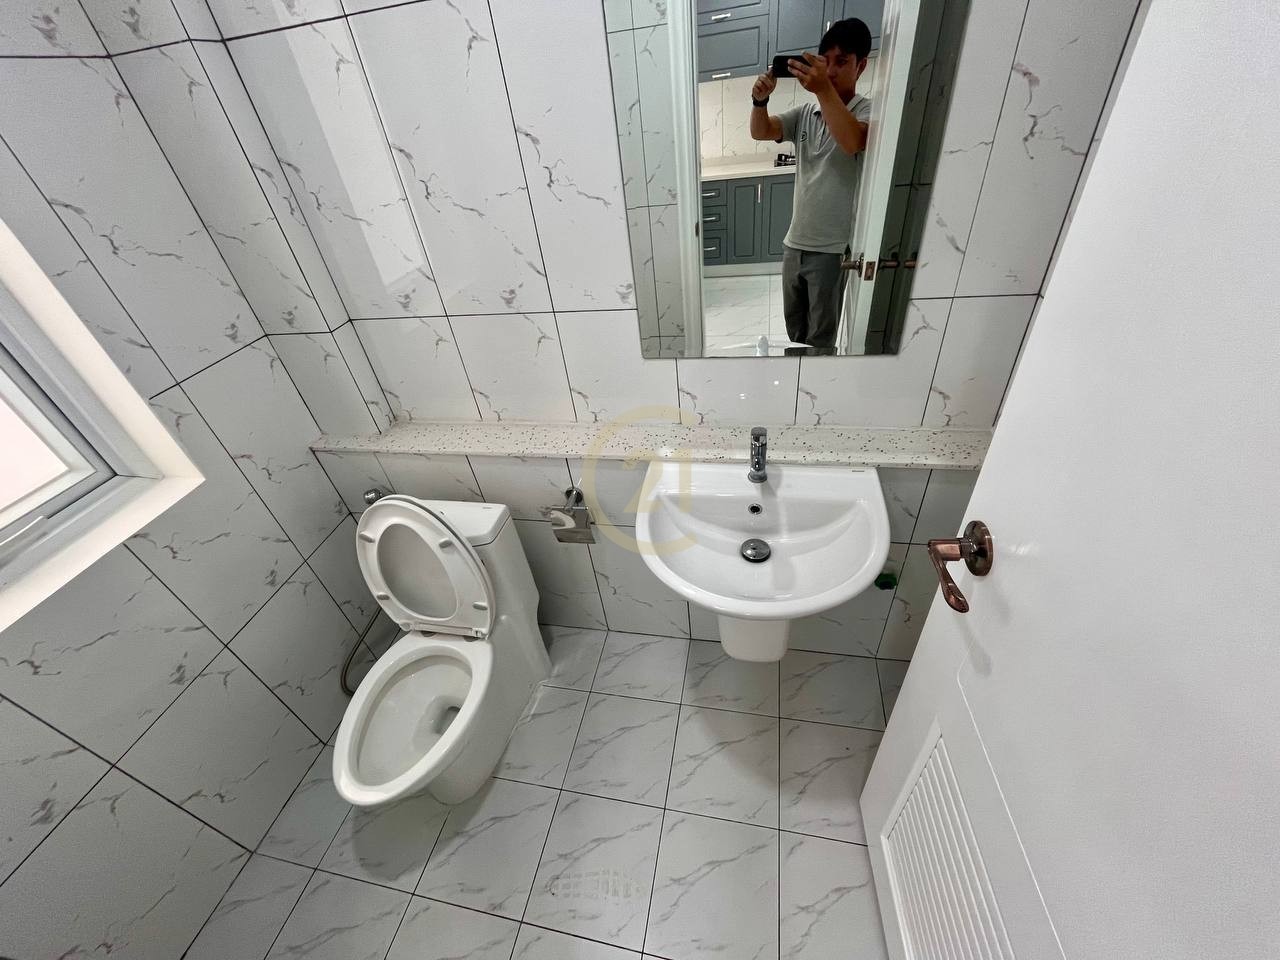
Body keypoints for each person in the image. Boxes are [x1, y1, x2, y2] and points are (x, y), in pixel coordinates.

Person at [750, 18, 873, 351]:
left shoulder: (868, 110)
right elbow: (761, 131)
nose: (830, 71)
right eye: (825, 61)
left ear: (861, 66)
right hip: (794, 244)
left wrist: (822, 89)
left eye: (841, 61)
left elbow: (852, 141)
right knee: (795, 335)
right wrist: (759, 102)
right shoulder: (806, 112)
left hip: (832, 250)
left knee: (820, 341)